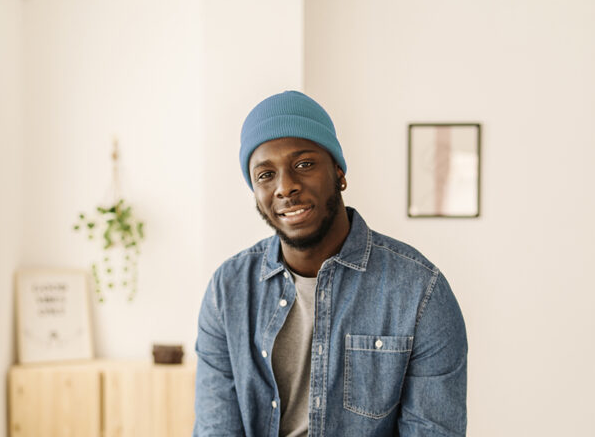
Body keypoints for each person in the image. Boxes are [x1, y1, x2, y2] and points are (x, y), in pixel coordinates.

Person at [194, 91, 467, 437]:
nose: (286, 187)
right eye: (265, 175)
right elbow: (215, 428)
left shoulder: (420, 292)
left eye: (304, 164)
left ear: (338, 172)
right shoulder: (228, 289)